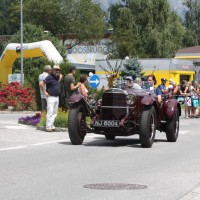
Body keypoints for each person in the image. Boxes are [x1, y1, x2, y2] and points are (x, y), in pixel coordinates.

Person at [39, 64, 62, 132]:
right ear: (52, 70)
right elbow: (41, 83)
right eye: (56, 70)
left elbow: (61, 75)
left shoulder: (57, 77)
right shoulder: (49, 77)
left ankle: (52, 125)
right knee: (50, 112)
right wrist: (45, 92)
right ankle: (48, 126)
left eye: (58, 70)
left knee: (54, 113)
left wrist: (59, 76)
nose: (57, 71)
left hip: (56, 97)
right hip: (51, 97)